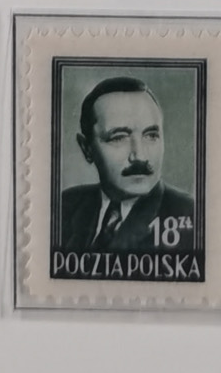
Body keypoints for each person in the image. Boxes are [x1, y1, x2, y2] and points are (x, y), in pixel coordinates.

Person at [58, 76, 198, 254]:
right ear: (87, 148)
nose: (139, 156)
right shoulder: (64, 206)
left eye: (151, 136)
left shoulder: (192, 216)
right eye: (119, 138)